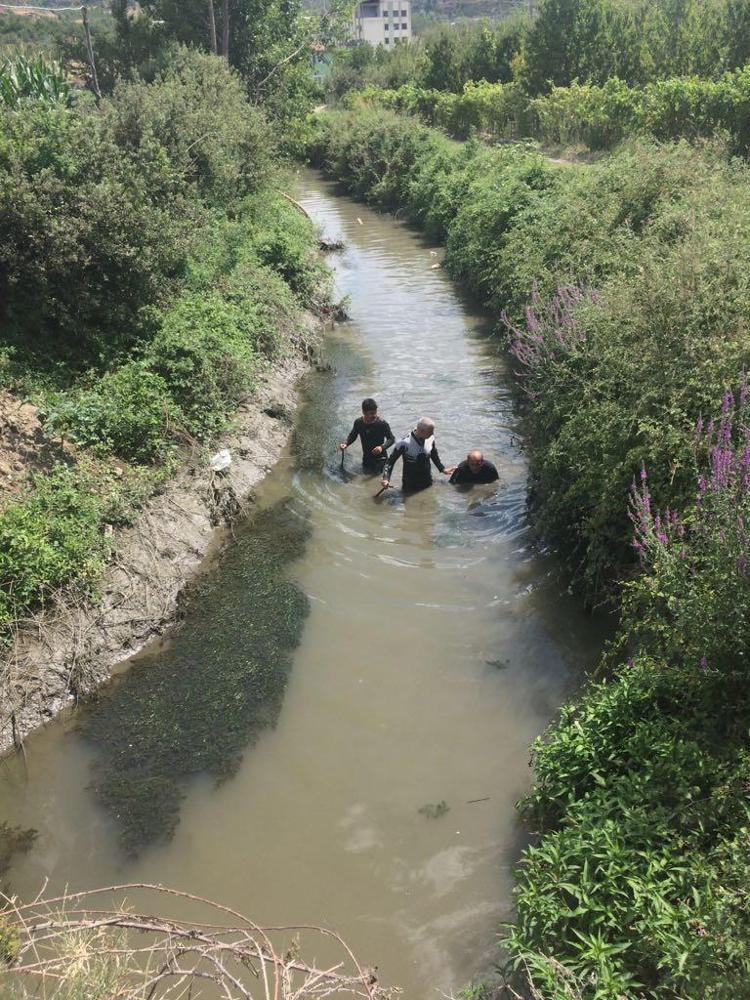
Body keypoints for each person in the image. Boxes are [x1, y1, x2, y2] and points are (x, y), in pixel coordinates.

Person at [381, 417, 456, 493]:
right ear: (421, 431)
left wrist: (442, 469)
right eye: (430, 432)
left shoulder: (430, 439)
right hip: (410, 483)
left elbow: (434, 454)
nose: (432, 434)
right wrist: (386, 479)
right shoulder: (404, 443)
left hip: (427, 480)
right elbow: (390, 462)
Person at [340, 398, 395, 471]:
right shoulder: (358, 423)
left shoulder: (382, 424)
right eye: (371, 413)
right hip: (366, 458)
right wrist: (346, 443)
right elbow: (353, 435)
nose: (374, 415)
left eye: (375, 412)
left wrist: (381, 447)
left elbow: (391, 439)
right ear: (364, 412)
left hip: (381, 459)